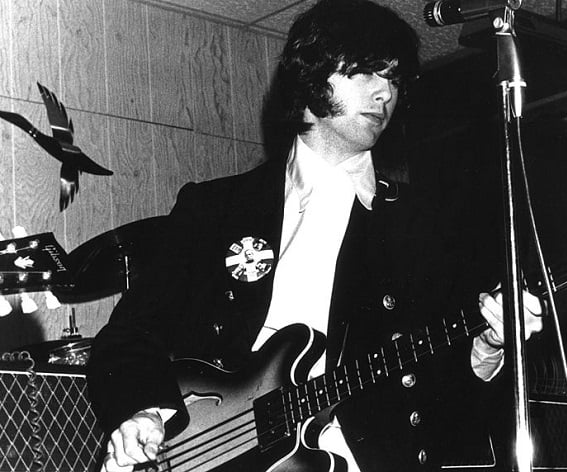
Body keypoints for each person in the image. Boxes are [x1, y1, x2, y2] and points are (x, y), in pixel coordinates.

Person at [87, 1, 541, 471]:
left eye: (395, 79)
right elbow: (129, 335)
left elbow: (443, 400)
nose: (385, 93)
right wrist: (144, 412)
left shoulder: (422, 226)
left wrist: (488, 349)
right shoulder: (215, 208)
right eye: (367, 72)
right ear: (310, 75)